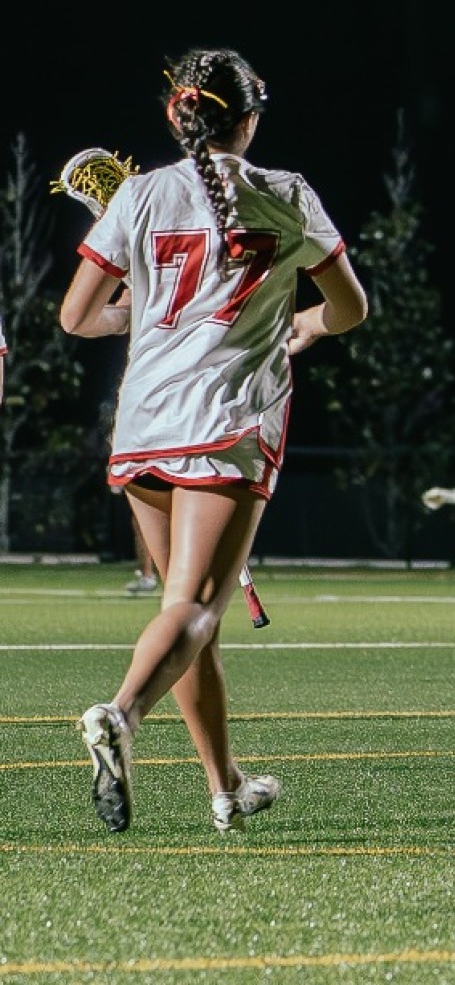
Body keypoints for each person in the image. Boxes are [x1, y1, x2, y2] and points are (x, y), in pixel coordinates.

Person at [61, 47, 369, 833]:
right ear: (249, 119)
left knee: (190, 614)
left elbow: (78, 317)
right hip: (226, 420)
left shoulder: (139, 195)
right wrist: (308, 323)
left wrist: (147, 305)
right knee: (195, 607)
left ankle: (226, 786)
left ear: (178, 115)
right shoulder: (286, 193)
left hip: (144, 422)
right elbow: (352, 308)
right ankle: (121, 714)